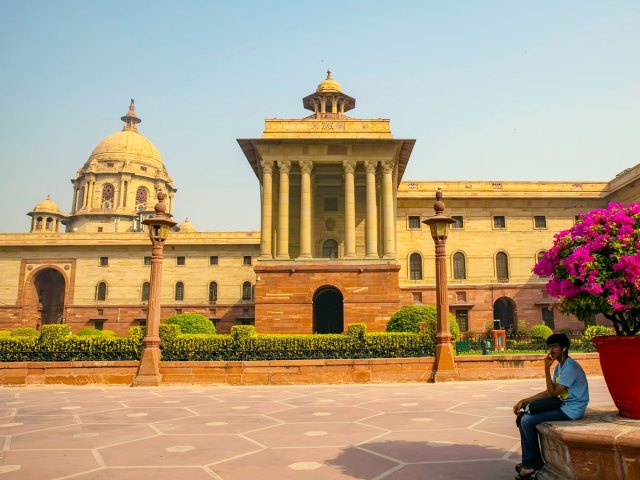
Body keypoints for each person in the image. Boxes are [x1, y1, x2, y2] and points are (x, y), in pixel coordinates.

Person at [512, 333, 589, 479]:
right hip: (562, 404)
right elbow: (549, 391)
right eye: (549, 346)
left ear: (564, 348)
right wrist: (524, 400)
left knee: (526, 420)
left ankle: (530, 464)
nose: (551, 350)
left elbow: (553, 393)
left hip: (572, 409)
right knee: (524, 417)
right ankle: (532, 462)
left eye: (555, 346)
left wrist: (546, 368)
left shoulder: (570, 367)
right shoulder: (560, 367)